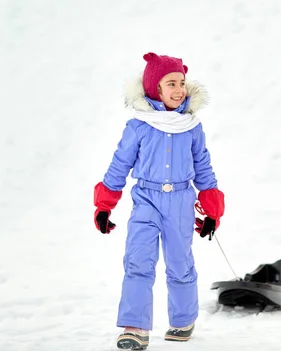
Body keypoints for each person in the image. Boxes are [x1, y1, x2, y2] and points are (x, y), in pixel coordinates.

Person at [92, 52, 225, 350]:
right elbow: (119, 164)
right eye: (171, 83)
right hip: (146, 199)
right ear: (155, 89)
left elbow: (202, 166)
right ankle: (134, 327)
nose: (179, 90)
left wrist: (212, 209)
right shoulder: (139, 126)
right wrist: (105, 204)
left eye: (182, 82)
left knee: (179, 263)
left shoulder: (191, 125)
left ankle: (182, 319)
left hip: (180, 200)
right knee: (138, 261)